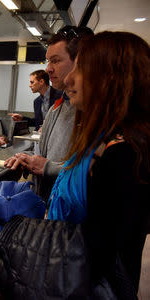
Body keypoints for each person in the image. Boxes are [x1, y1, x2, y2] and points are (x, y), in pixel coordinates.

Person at [47, 31, 149, 296]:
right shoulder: (103, 141)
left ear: (111, 79)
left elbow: (96, 254)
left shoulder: (123, 156)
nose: (69, 78)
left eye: (81, 69)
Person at [4, 26, 94, 201]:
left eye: (56, 61)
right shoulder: (57, 108)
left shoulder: (94, 112)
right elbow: (48, 156)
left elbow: (91, 172)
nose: (48, 69)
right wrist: (27, 159)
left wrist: (48, 167)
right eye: (48, 61)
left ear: (82, 61)